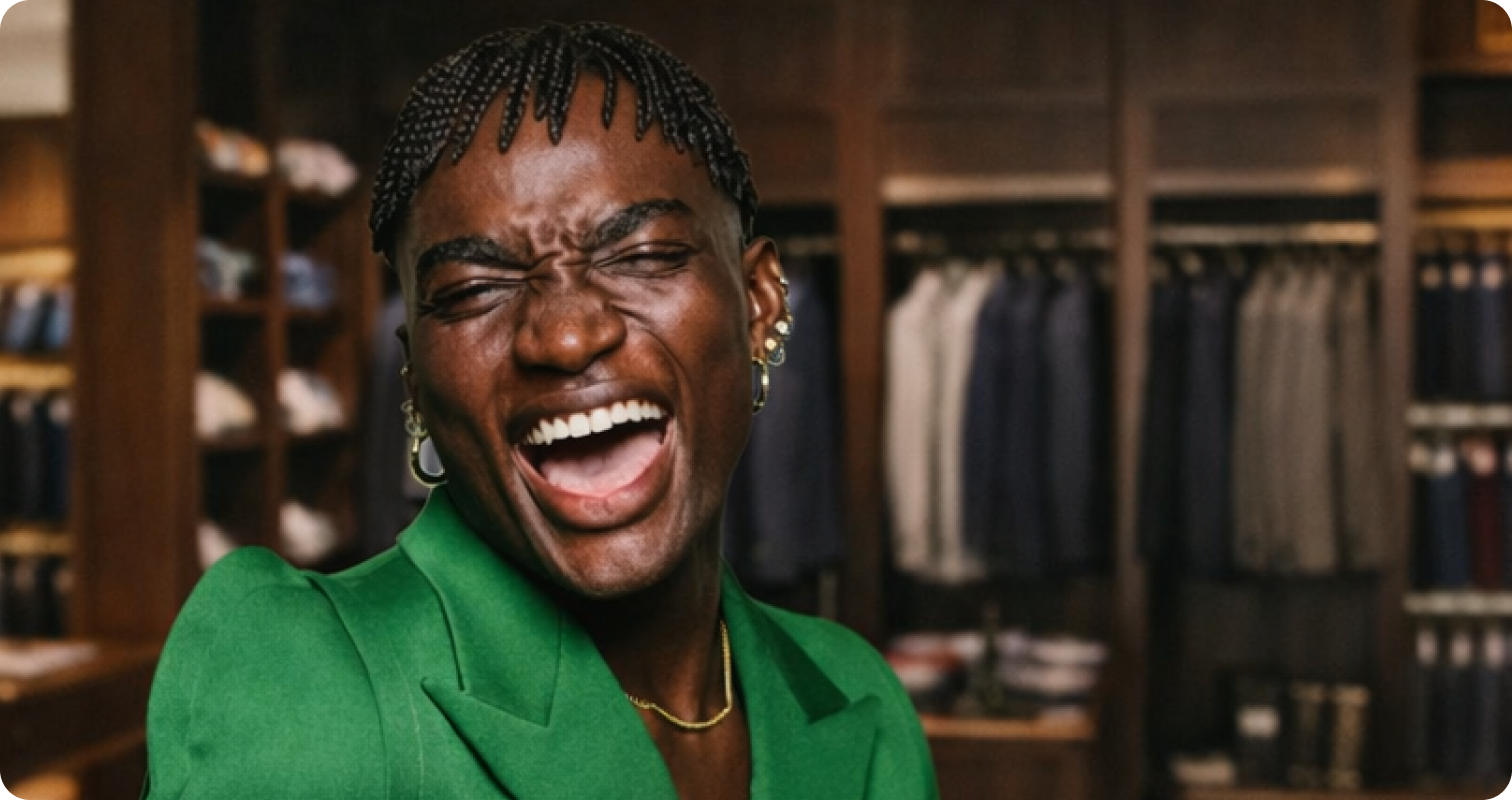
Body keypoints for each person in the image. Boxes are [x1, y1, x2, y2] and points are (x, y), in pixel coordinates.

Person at [143, 21, 937, 800]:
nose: (563, 336)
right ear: (415, 377)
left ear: (760, 304)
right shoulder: (307, 684)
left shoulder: (855, 696)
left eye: (642, 255)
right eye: (472, 290)